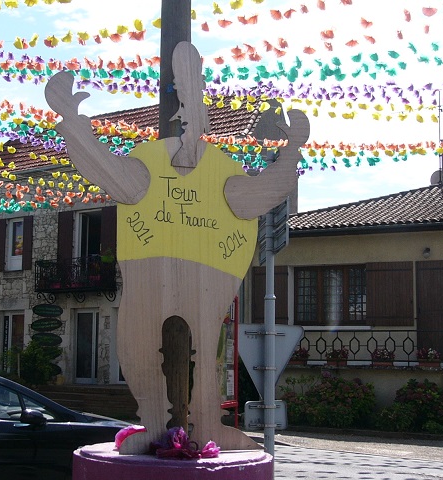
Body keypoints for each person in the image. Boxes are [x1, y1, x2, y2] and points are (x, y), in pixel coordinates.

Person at [45, 41, 309, 454]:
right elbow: (113, 174)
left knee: (203, 350)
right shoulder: (152, 163)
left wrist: (292, 150)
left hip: (211, 269)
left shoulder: (220, 173)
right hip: (154, 266)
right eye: (184, 110)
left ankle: (205, 424)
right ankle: (153, 422)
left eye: (193, 110)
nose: (188, 121)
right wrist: (72, 121)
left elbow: (260, 194)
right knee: (138, 343)